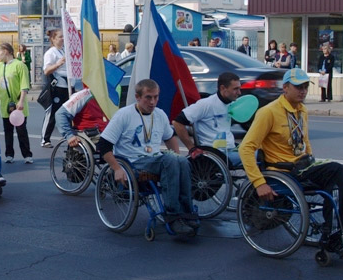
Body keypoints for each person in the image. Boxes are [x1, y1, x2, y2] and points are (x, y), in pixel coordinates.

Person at [238, 68, 343, 257]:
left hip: (302, 166)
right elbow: (245, 148)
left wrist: (312, 158)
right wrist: (259, 182)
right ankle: (337, 234)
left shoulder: (301, 110)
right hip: (284, 171)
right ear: (286, 88)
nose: (303, 91)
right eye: (298, 87)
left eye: (305, 87)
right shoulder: (269, 112)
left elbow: (304, 140)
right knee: (337, 170)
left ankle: (342, 232)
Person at [97, 78, 198, 237]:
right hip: (133, 163)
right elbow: (103, 145)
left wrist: (178, 158)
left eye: (156, 97)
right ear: (137, 97)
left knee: (182, 162)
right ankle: (172, 216)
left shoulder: (160, 114)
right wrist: (116, 168)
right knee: (170, 161)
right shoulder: (124, 115)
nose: (153, 102)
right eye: (148, 97)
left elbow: (170, 137)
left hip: (155, 159)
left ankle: (186, 212)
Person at [173, 72, 242, 167]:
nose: (239, 93)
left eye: (239, 88)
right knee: (257, 156)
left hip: (231, 148)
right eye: (235, 89)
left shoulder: (232, 104)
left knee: (262, 152)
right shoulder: (206, 104)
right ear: (223, 88)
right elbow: (177, 122)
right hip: (217, 154)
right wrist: (191, 148)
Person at [0, 42, 32, 164]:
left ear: (6, 51)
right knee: (7, 131)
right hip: (5, 104)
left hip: (19, 104)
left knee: (21, 130)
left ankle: (27, 155)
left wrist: (21, 101)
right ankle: (9, 154)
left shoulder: (19, 65)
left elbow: (25, 85)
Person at [41, 29, 70, 148]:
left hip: (67, 86)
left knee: (67, 112)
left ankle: (67, 135)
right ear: (53, 39)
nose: (63, 39)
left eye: (64, 37)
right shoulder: (51, 53)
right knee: (52, 113)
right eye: (60, 37)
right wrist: (58, 63)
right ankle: (45, 139)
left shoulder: (63, 50)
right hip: (56, 86)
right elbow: (47, 71)